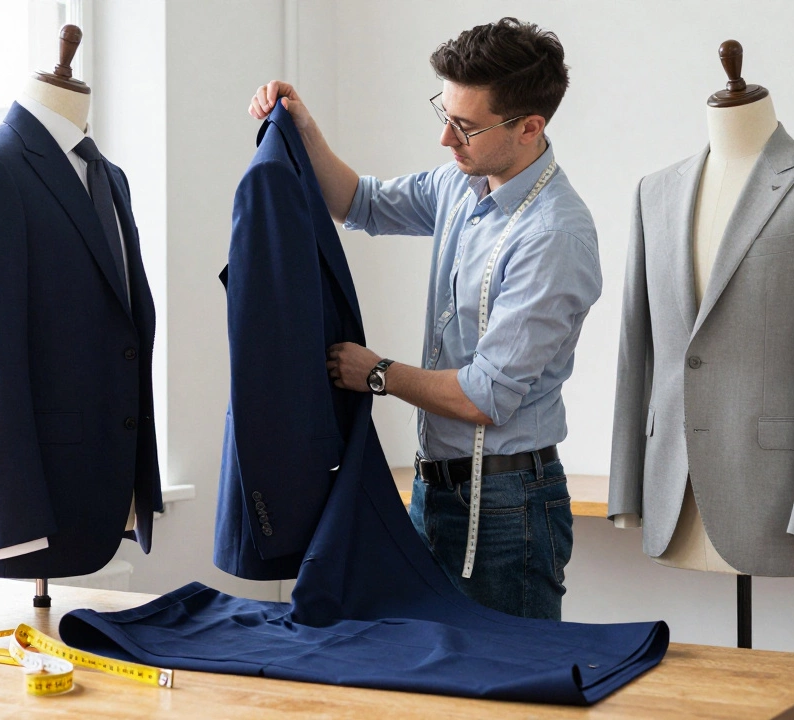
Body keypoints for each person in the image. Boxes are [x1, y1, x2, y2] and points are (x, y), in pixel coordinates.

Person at [246, 17, 600, 620]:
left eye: (464, 126)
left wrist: (376, 372)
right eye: (445, 113)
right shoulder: (463, 186)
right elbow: (360, 203)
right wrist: (304, 131)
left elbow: (486, 395)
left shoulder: (554, 236)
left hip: (508, 507)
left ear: (529, 128)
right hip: (436, 492)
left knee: (506, 699)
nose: (445, 139)